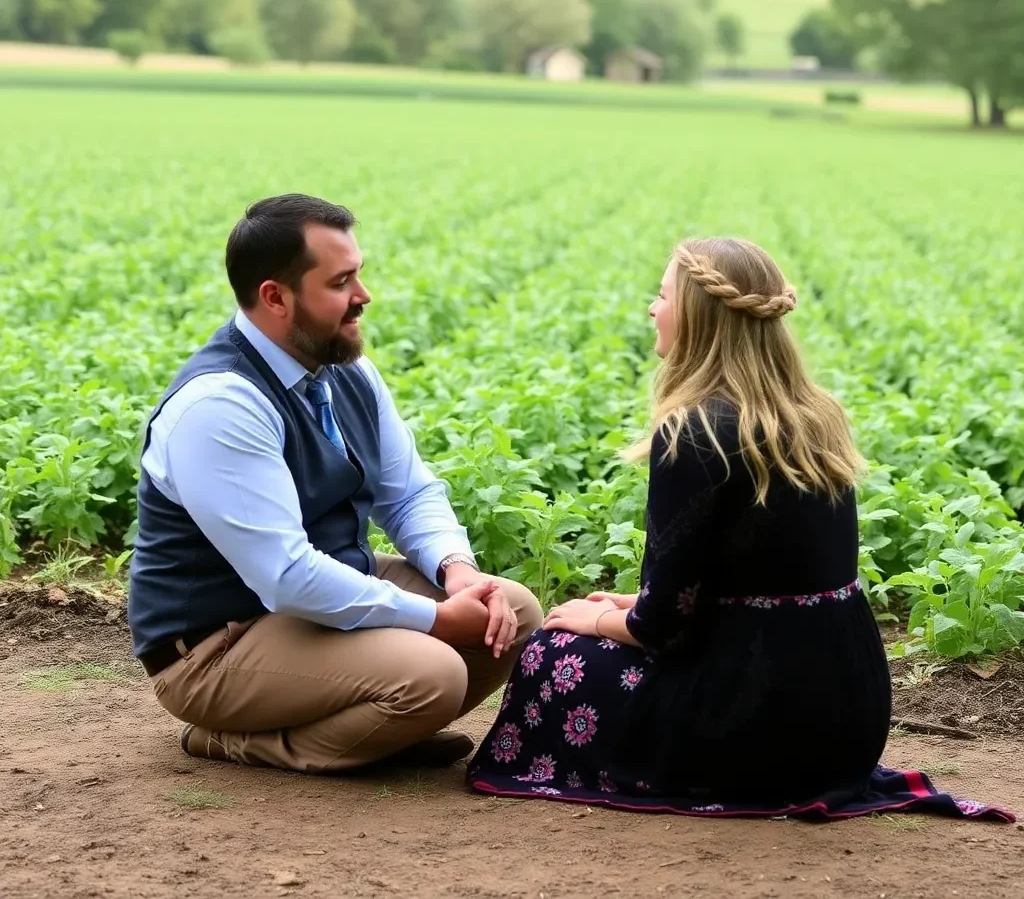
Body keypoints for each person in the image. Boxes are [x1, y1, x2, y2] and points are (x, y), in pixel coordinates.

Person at [466, 237, 1012, 823]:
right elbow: (761, 580)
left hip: (752, 722)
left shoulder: (693, 432)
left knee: (554, 650)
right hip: (846, 720)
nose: (652, 308)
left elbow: (666, 631)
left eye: (663, 294)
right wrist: (634, 602)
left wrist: (595, 618)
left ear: (700, 318)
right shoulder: (818, 414)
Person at [127, 194, 542, 774]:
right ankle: (237, 740)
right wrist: (439, 619)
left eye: (359, 275)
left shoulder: (346, 371)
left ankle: (377, 728)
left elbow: (409, 492)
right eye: (341, 282)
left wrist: (458, 572)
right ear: (276, 296)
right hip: (218, 643)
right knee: (434, 673)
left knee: (512, 611)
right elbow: (287, 577)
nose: (363, 297)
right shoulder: (220, 404)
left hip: (313, 600)